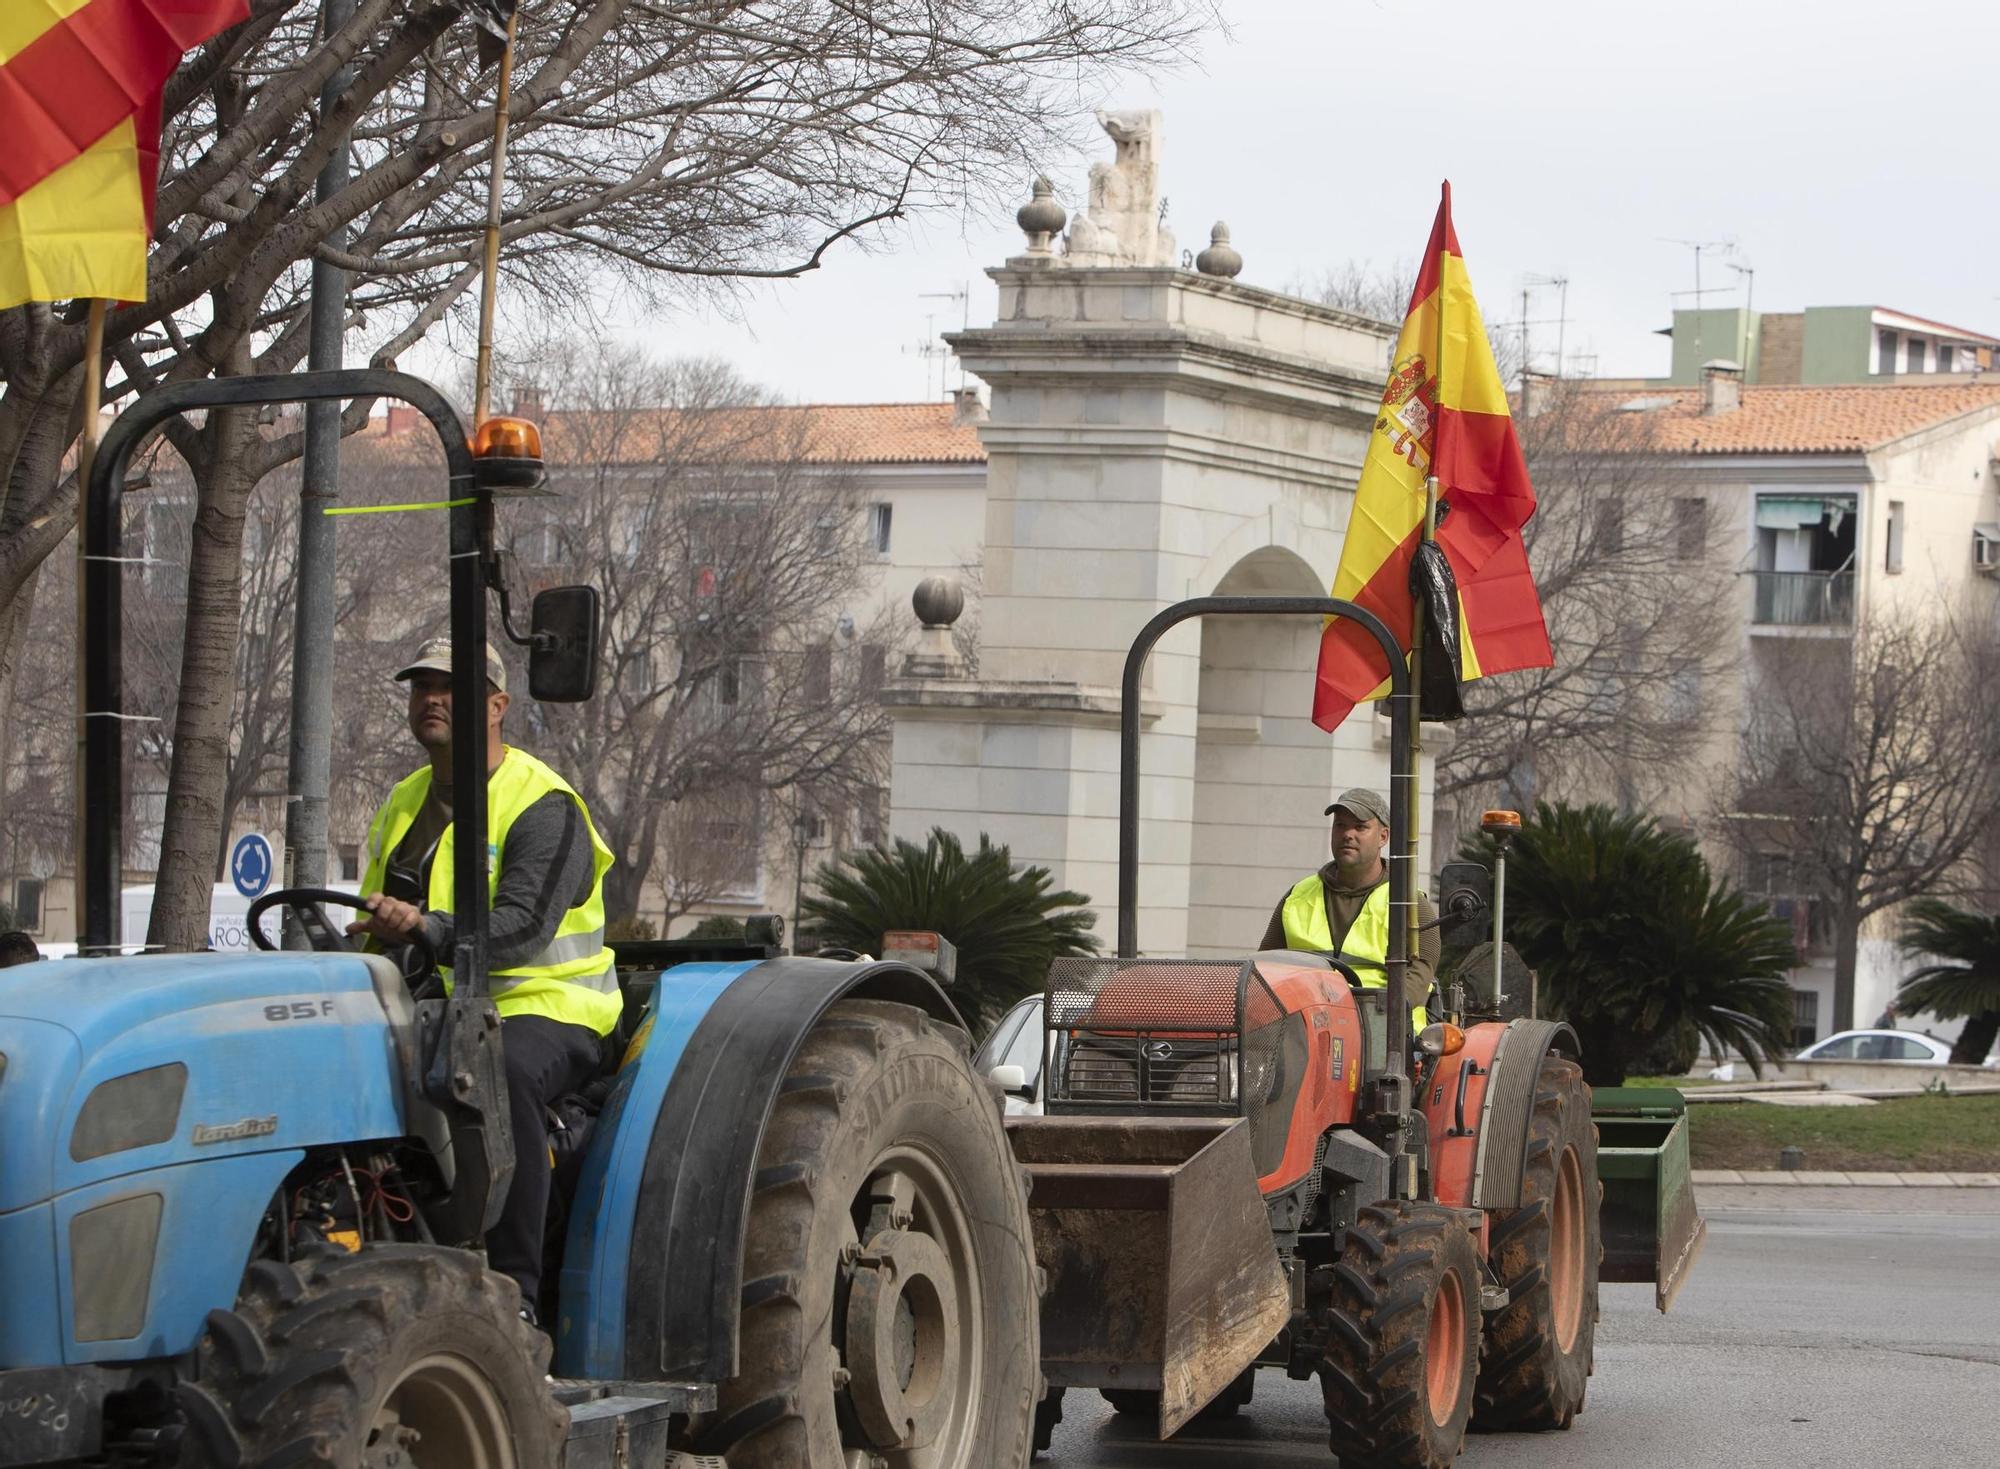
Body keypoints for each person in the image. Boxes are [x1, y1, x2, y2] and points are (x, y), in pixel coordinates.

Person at [347, 636, 620, 1322]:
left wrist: (426, 929)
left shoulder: (544, 804)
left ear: (497, 705)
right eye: (420, 686)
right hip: (440, 1006)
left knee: (495, 1065)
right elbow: (379, 920)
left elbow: (522, 928)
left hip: (551, 1010)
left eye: (451, 686)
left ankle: (516, 1296)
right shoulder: (403, 802)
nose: (431, 698)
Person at [1258, 787, 1437, 1021]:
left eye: (1360, 827)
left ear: (1383, 836)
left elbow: (1420, 974)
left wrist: (1386, 1011)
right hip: (1306, 1030)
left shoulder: (1410, 903)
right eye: (1340, 825)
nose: (1347, 834)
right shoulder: (1297, 897)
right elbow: (1264, 968)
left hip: (1383, 1034)